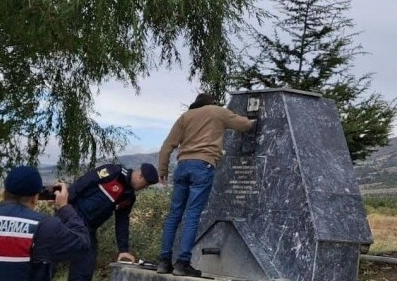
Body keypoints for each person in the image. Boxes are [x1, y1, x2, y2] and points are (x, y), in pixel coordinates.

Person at [156, 92, 255, 277]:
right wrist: (255, 120)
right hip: (203, 165)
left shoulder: (185, 117)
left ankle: (163, 261)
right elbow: (245, 125)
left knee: (174, 215)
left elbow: (167, 145)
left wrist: (162, 170)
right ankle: (183, 263)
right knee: (192, 214)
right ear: (211, 102)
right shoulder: (217, 112)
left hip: (183, 166)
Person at [0, 166, 91, 281]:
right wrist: (64, 207)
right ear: (35, 198)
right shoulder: (45, 227)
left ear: (4, 193)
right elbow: (82, 243)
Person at [65, 161, 160, 281]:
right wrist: (64, 204)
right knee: (48, 258)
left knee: (85, 268)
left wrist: (123, 250)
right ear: (140, 176)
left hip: (88, 230)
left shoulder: (129, 197)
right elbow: (84, 181)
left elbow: (122, 222)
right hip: (71, 216)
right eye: (146, 184)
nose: (145, 188)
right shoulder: (113, 171)